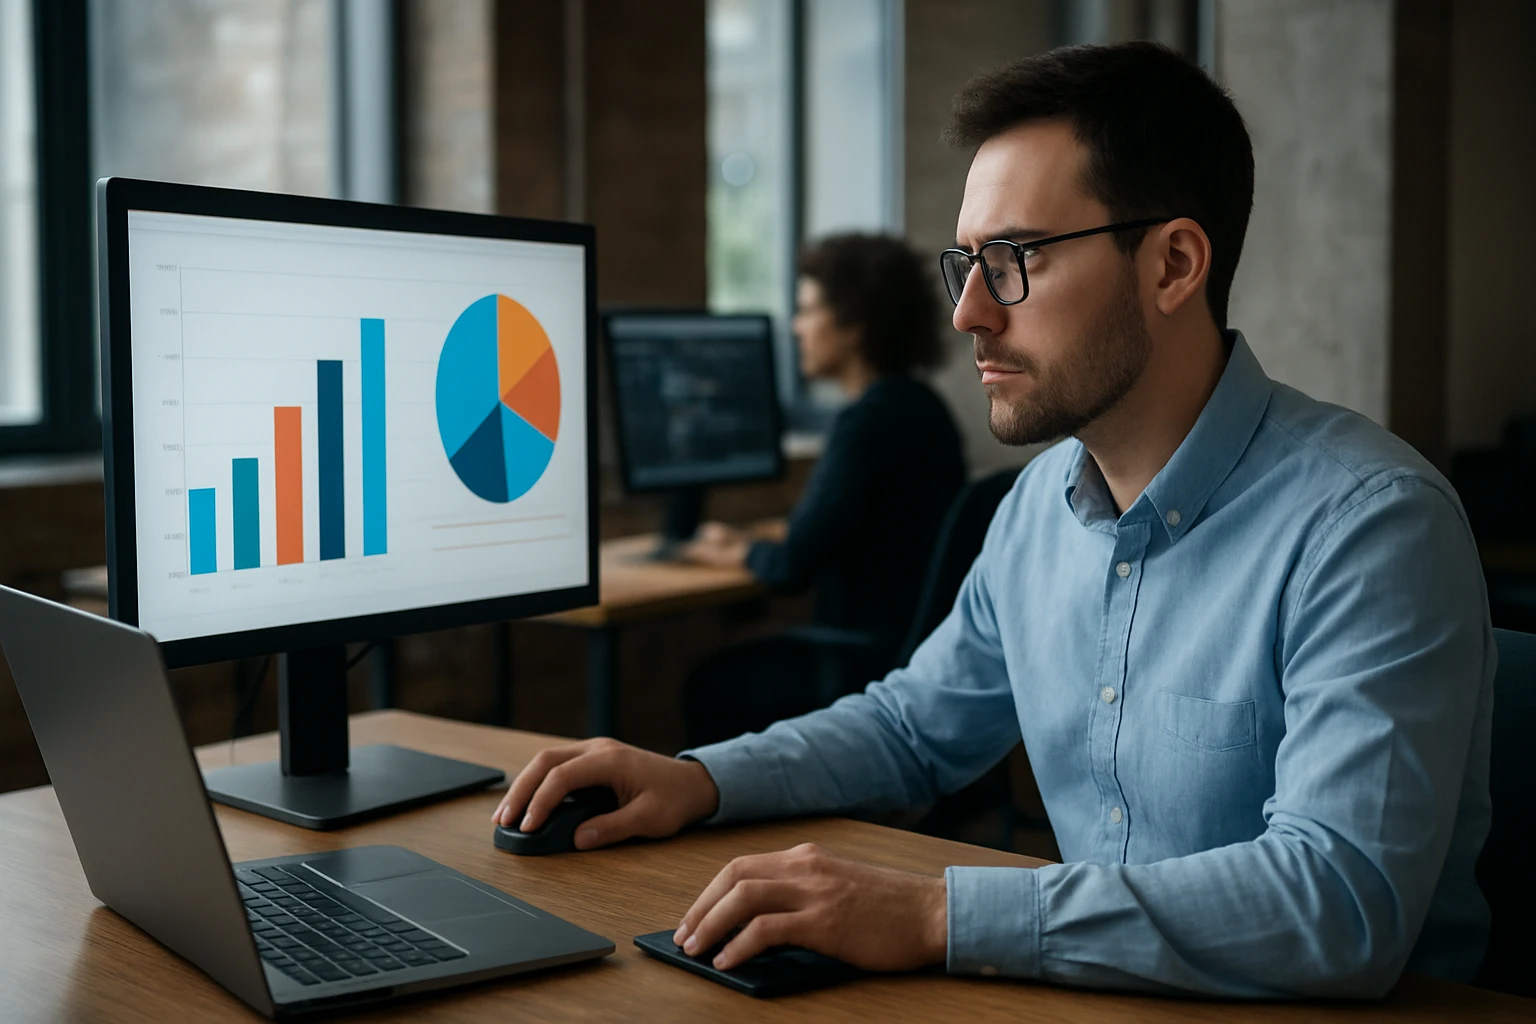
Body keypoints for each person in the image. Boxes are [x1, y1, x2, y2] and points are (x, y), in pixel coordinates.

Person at [493, 41, 1494, 998]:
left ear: (1173, 265)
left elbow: (1340, 904)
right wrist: (697, 780)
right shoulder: (1035, 509)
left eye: (1014, 257)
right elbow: (910, 730)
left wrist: (939, 914)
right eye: (965, 261)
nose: (969, 311)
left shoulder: (1370, 528)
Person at [677, 234, 966, 747]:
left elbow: (792, 566)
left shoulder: (865, 422)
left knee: (708, 685)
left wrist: (737, 550)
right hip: (918, 655)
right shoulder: (925, 408)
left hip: (864, 665)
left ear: (853, 324)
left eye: (808, 310)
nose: (796, 326)